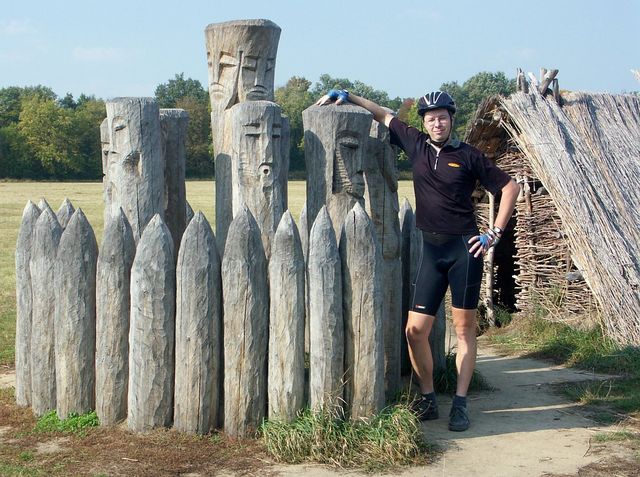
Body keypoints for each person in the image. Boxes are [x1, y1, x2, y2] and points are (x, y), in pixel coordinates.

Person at [316, 89, 519, 431]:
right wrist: (348, 96)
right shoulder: (417, 144)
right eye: (431, 119)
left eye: (442, 118)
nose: (437, 123)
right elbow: (383, 114)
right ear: (424, 123)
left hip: (464, 251)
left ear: (451, 119)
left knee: (464, 330)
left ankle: (460, 403)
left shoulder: (468, 155)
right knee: (414, 331)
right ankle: (428, 398)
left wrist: (494, 234)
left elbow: (510, 188)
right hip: (432, 252)